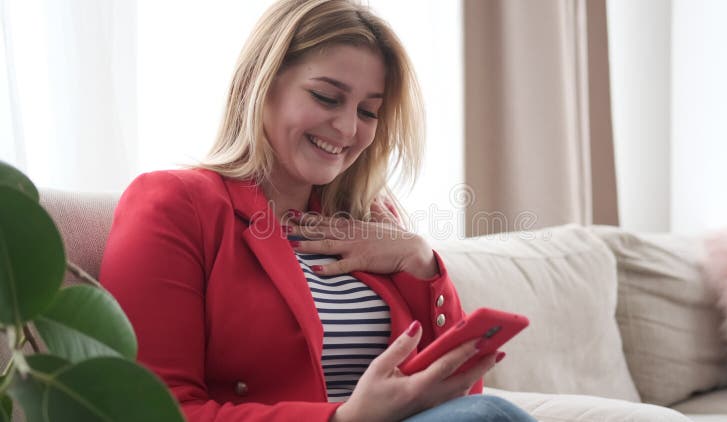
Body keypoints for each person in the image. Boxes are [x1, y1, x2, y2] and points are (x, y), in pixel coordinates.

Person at [100, 0, 537, 421]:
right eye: (328, 97)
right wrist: (343, 418)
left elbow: (459, 402)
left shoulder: (372, 220)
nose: (348, 129)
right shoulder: (174, 204)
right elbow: (149, 409)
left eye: (368, 111)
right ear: (261, 82)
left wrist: (421, 263)